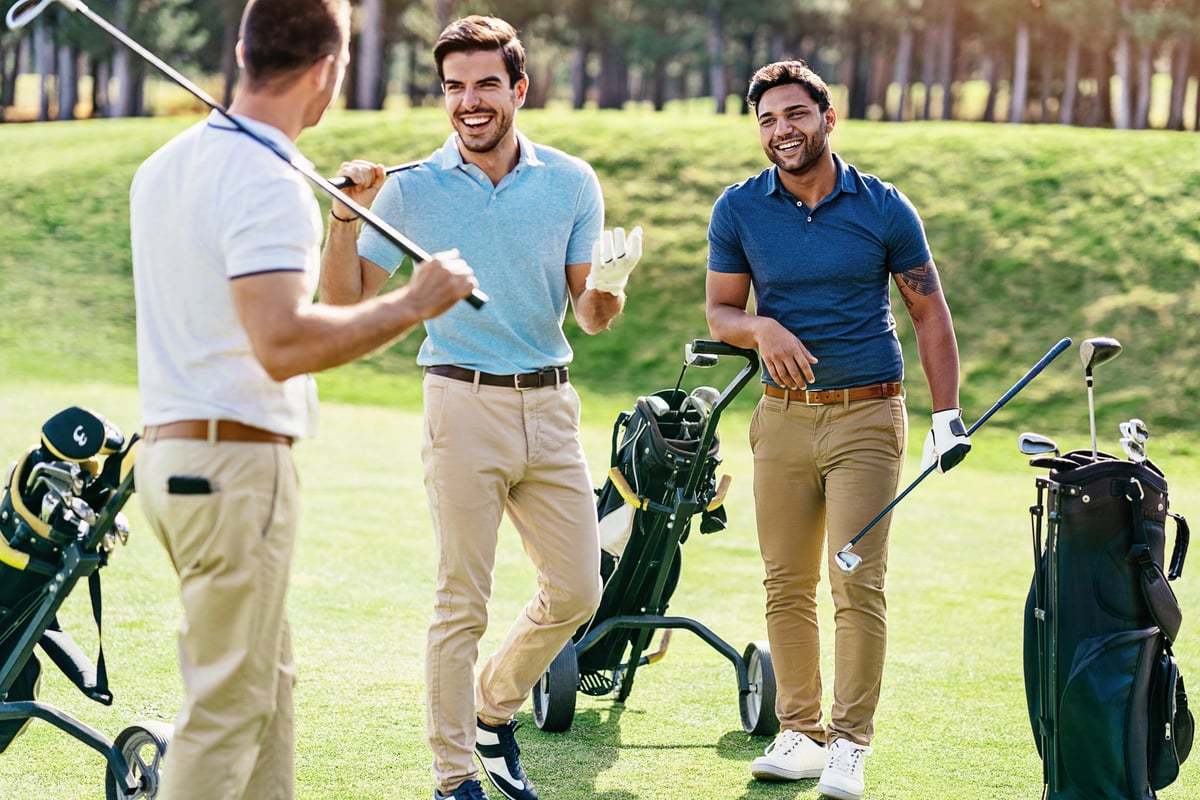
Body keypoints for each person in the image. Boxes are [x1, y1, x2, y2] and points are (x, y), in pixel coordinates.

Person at [128, 1, 478, 798]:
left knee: (268, 694)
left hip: (176, 459)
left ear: (246, 49)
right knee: (226, 711)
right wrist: (414, 303)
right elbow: (282, 344)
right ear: (327, 69)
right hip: (233, 466)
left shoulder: (169, 164)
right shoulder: (267, 176)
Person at [318, 14, 642, 800]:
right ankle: (453, 773)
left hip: (551, 404)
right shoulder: (409, 189)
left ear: (519, 89)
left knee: (578, 590)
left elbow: (589, 317)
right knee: (460, 599)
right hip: (459, 404)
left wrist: (611, 284)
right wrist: (342, 215)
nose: (470, 101)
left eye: (487, 84)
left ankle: (492, 708)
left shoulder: (571, 181)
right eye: (455, 87)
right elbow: (343, 299)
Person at [705, 60, 969, 800]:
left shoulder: (884, 208)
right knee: (785, 582)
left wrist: (946, 414)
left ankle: (850, 744)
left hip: (867, 416)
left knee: (854, 580)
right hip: (782, 419)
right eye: (767, 120)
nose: (781, 130)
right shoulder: (739, 209)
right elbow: (720, 312)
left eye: (794, 114)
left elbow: (928, 313)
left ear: (827, 117)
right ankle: (799, 733)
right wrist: (760, 328)